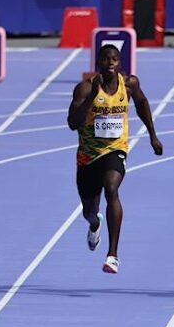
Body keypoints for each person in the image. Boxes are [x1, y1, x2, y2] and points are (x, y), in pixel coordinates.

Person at [68, 44, 162, 274]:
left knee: (111, 188)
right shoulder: (85, 88)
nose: (110, 62)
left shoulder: (129, 84)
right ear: (98, 62)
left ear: (120, 63)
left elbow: (142, 103)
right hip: (88, 156)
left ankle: (112, 255)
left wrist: (152, 135)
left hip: (115, 149)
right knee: (89, 211)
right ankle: (95, 224)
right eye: (105, 59)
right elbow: (72, 123)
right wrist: (92, 96)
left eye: (114, 59)